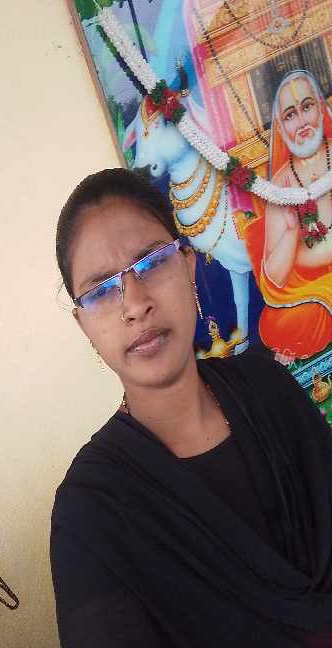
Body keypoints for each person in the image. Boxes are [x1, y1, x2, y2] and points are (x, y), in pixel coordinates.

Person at [51, 167, 332, 647]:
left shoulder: (269, 388)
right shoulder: (90, 511)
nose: (134, 304)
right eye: (100, 290)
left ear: (188, 265)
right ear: (84, 326)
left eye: (151, 262)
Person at [250, 70, 332, 358]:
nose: (302, 122)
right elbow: (275, 278)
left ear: (321, 108)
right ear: (281, 127)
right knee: (278, 324)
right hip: (312, 290)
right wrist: (292, 231)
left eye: (307, 107)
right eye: (290, 115)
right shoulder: (280, 186)